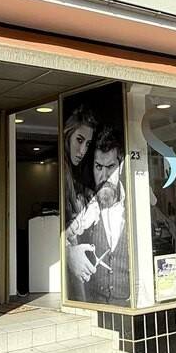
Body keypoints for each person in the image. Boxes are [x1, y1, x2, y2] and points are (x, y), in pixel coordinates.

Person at [71, 127, 130, 306]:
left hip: (128, 305)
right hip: (93, 305)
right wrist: (69, 253)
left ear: (121, 166)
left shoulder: (135, 203)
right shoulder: (83, 205)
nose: (104, 176)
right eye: (98, 167)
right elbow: (61, 237)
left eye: (111, 167)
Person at [63, 105, 100, 298]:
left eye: (87, 144)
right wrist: (68, 251)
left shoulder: (71, 172)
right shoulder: (63, 170)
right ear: (67, 134)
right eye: (79, 140)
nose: (82, 150)